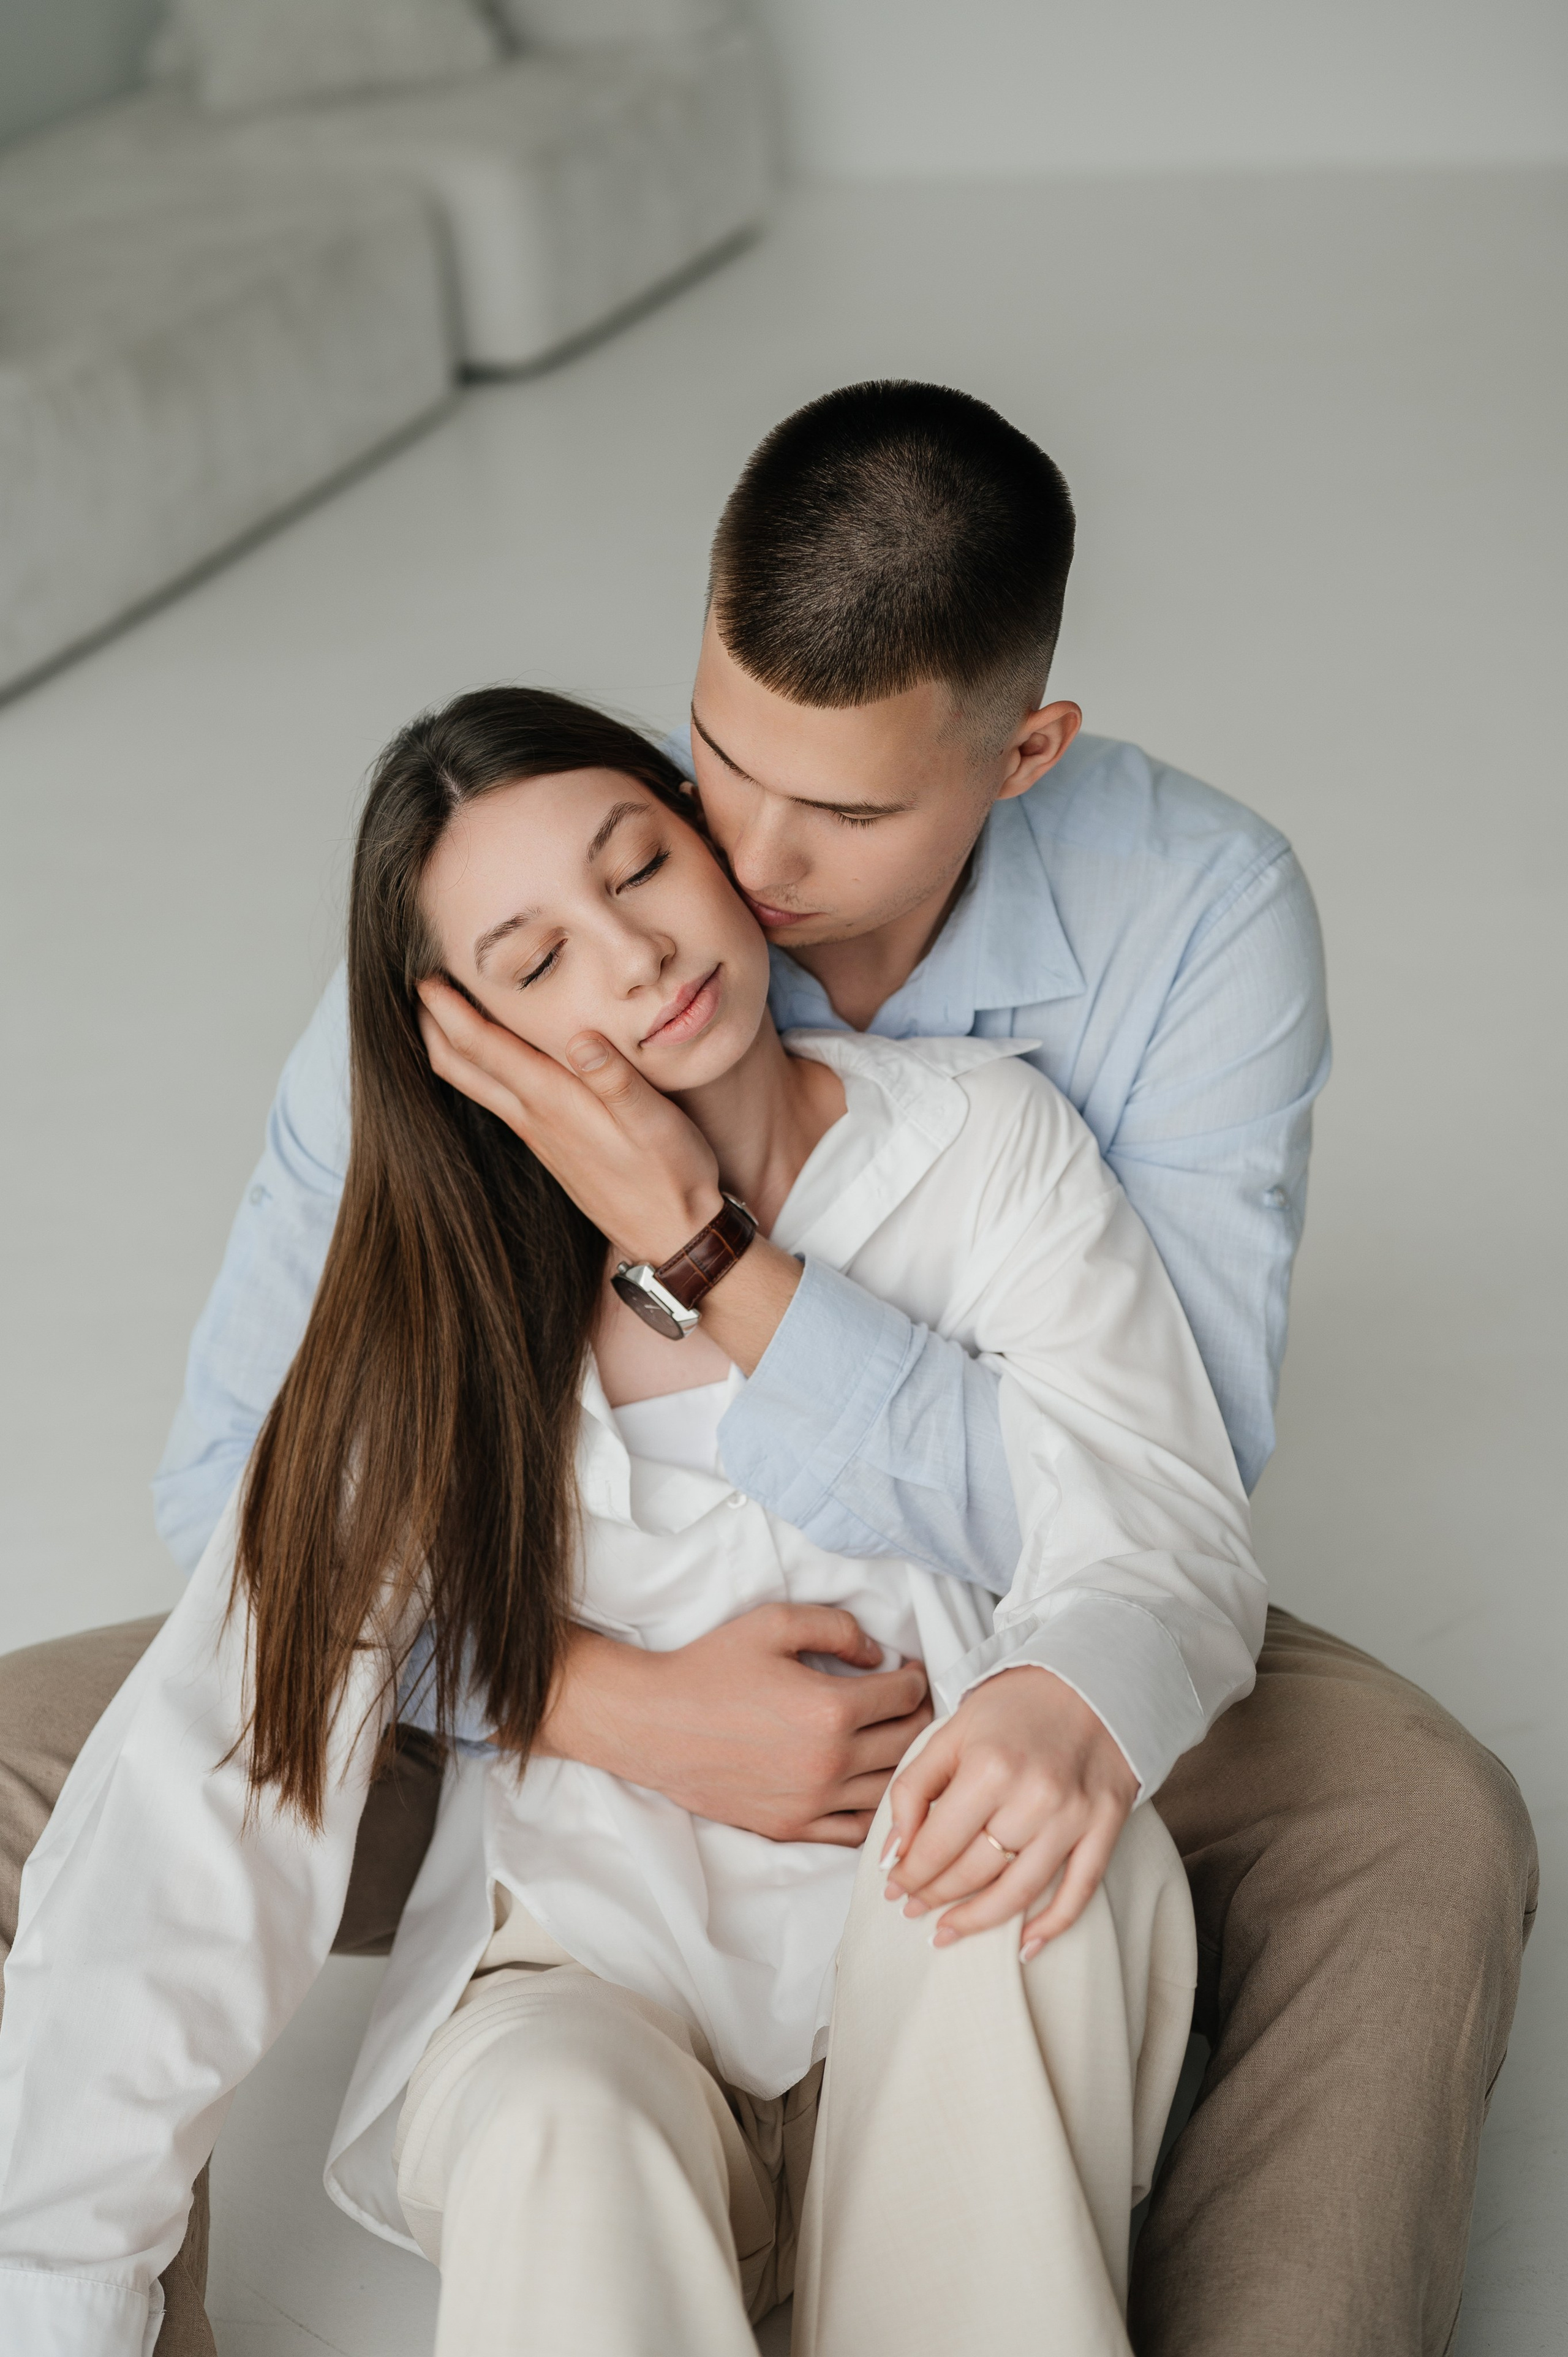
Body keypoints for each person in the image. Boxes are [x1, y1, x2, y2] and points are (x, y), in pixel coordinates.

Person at [0, 383, 1535, 2356]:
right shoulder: (486, 1048)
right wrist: (602, 1704)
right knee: (163, 1768)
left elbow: (1148, 1486)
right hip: (522, 1700)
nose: (748, 864)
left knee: (1414, 1822)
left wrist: (719, 1265)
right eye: (717, 768)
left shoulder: (1131, 983)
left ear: (1023, 757)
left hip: (972, 1661)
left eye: (844, 813)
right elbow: (261, 1539)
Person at [0, 687, 1257, 2356]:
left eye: (639, 868)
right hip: (585, 1965)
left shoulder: (981, 1147)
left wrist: (1067, 1690)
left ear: (712, 838)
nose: (635, 957)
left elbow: (1158, 1511)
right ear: (464, 1033)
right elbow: (228, 1764)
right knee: (556, 2122)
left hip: (937, 1924)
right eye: (535, 962)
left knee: (1046, 1885)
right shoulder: (434, 1305)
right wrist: (61, 2292)